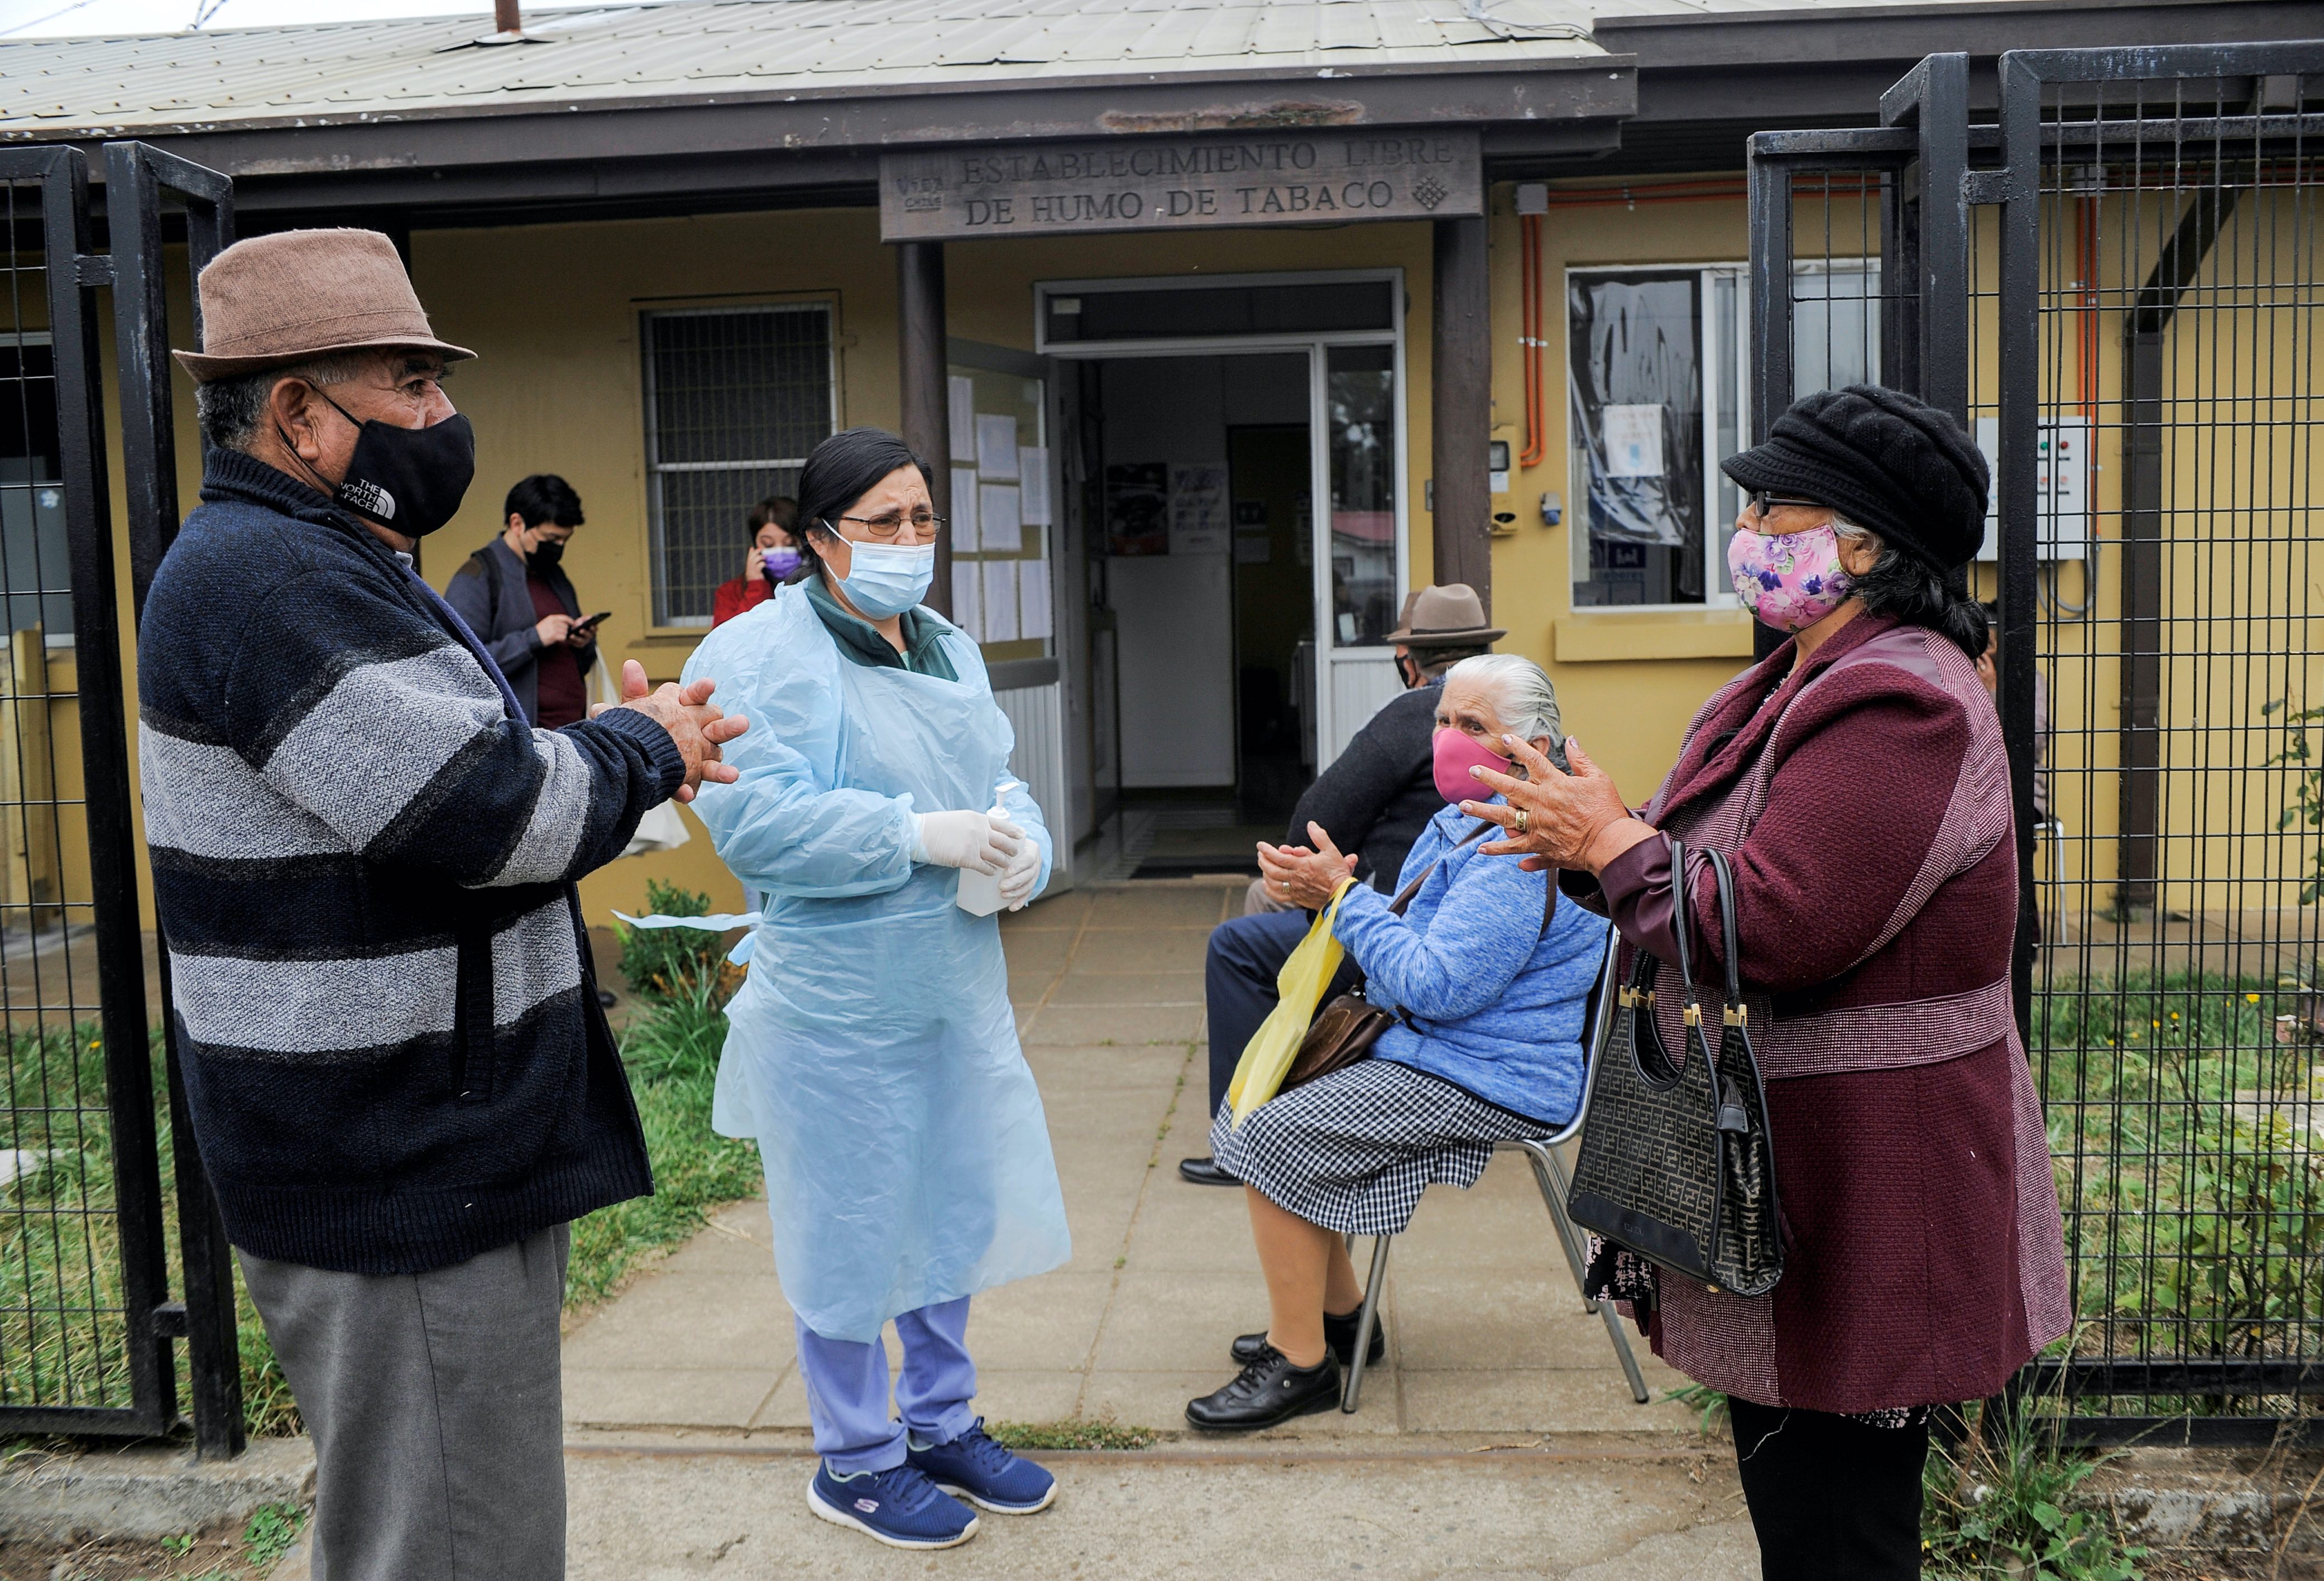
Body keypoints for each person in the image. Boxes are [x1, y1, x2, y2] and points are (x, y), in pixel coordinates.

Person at [138, 228, 746, 1581]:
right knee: (456, 1546)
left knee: (419, 1523)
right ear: (299, 411)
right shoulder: (268, 579)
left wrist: (613, 742)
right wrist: (645, 749)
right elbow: (486, 814)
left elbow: (470, 784)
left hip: (418, 1134)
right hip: (391, 1151)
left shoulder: (329, 557)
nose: (443, 417)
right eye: (410, 383)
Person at [1464, 385, 2070, 1580]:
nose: (1748, 529)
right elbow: (1715, 871)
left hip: (1876, 1189)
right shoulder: (1802, 675)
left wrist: (1610, 846)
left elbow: (1777, 925)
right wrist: (1592, 843)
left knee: (1839, 1535)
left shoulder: (1899, 702)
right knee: (1803, 1514)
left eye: (1771, 506)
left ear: (1862, 542)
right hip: (1813, 1172)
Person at [683, 427, 1067, 1552]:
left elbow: (992, 769)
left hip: (948, 983)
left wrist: (1020, 840)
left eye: (922, 519)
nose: (910, 541)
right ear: (814, 540)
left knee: (946, 1204)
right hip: (835, 1004)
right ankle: (853, 1458)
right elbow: (751, 817)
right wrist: (914, 834)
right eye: (882, 522)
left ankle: (939, 1424)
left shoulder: (942, 643)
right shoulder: (758, 654)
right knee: (848, 1224)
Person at [1182, 654, 1609, 1429]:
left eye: (1470, 726)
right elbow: (1419, 958)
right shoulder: (1468, 818)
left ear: (1533, 744)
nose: (1446, 739)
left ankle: (1299, 1362)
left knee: (1271, 1131)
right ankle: (1341, 1321)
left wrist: (1343, 901)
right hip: (1450, 1052)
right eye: (1442, 721)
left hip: (1488, 1074)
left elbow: (1435, 987)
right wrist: (1340, 894)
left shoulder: (1518, 846)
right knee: (1270, 1105)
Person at [1178, 583, 1500, 1188]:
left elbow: (1311, 827)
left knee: (1236, 946)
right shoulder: (1522, 719)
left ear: (1408, 662)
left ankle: (1241, 1141)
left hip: (1409, 943)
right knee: (1266, 903)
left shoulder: (1414, 714)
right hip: (1488, 953)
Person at [444, 473, 598, 727]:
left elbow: (579, 663)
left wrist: (582, 642)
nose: (559, 548)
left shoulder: (554, 576)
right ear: (517, 524)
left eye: (564, 540)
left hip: (571, 733)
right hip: (520, 740)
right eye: (551, 539)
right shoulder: (477, 576)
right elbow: (461, 665)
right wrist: (534, 637)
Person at [712, 496, 802, 626]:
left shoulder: (819, 586)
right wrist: (756, 587)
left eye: (790, 544)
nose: (780, 552)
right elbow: (726, 639)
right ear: (754, 545)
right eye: (768, 544)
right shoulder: (729, 592)